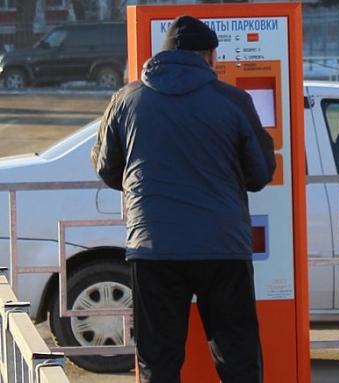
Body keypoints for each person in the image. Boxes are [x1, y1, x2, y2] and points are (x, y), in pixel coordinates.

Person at [91, 15, 275, 383]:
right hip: (222, 247)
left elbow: (106, 168)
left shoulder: (126, 100)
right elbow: (260, 174)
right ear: (208, 56)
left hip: (153, 246)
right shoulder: (234, 100)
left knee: (157, 361)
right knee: (238, 357)